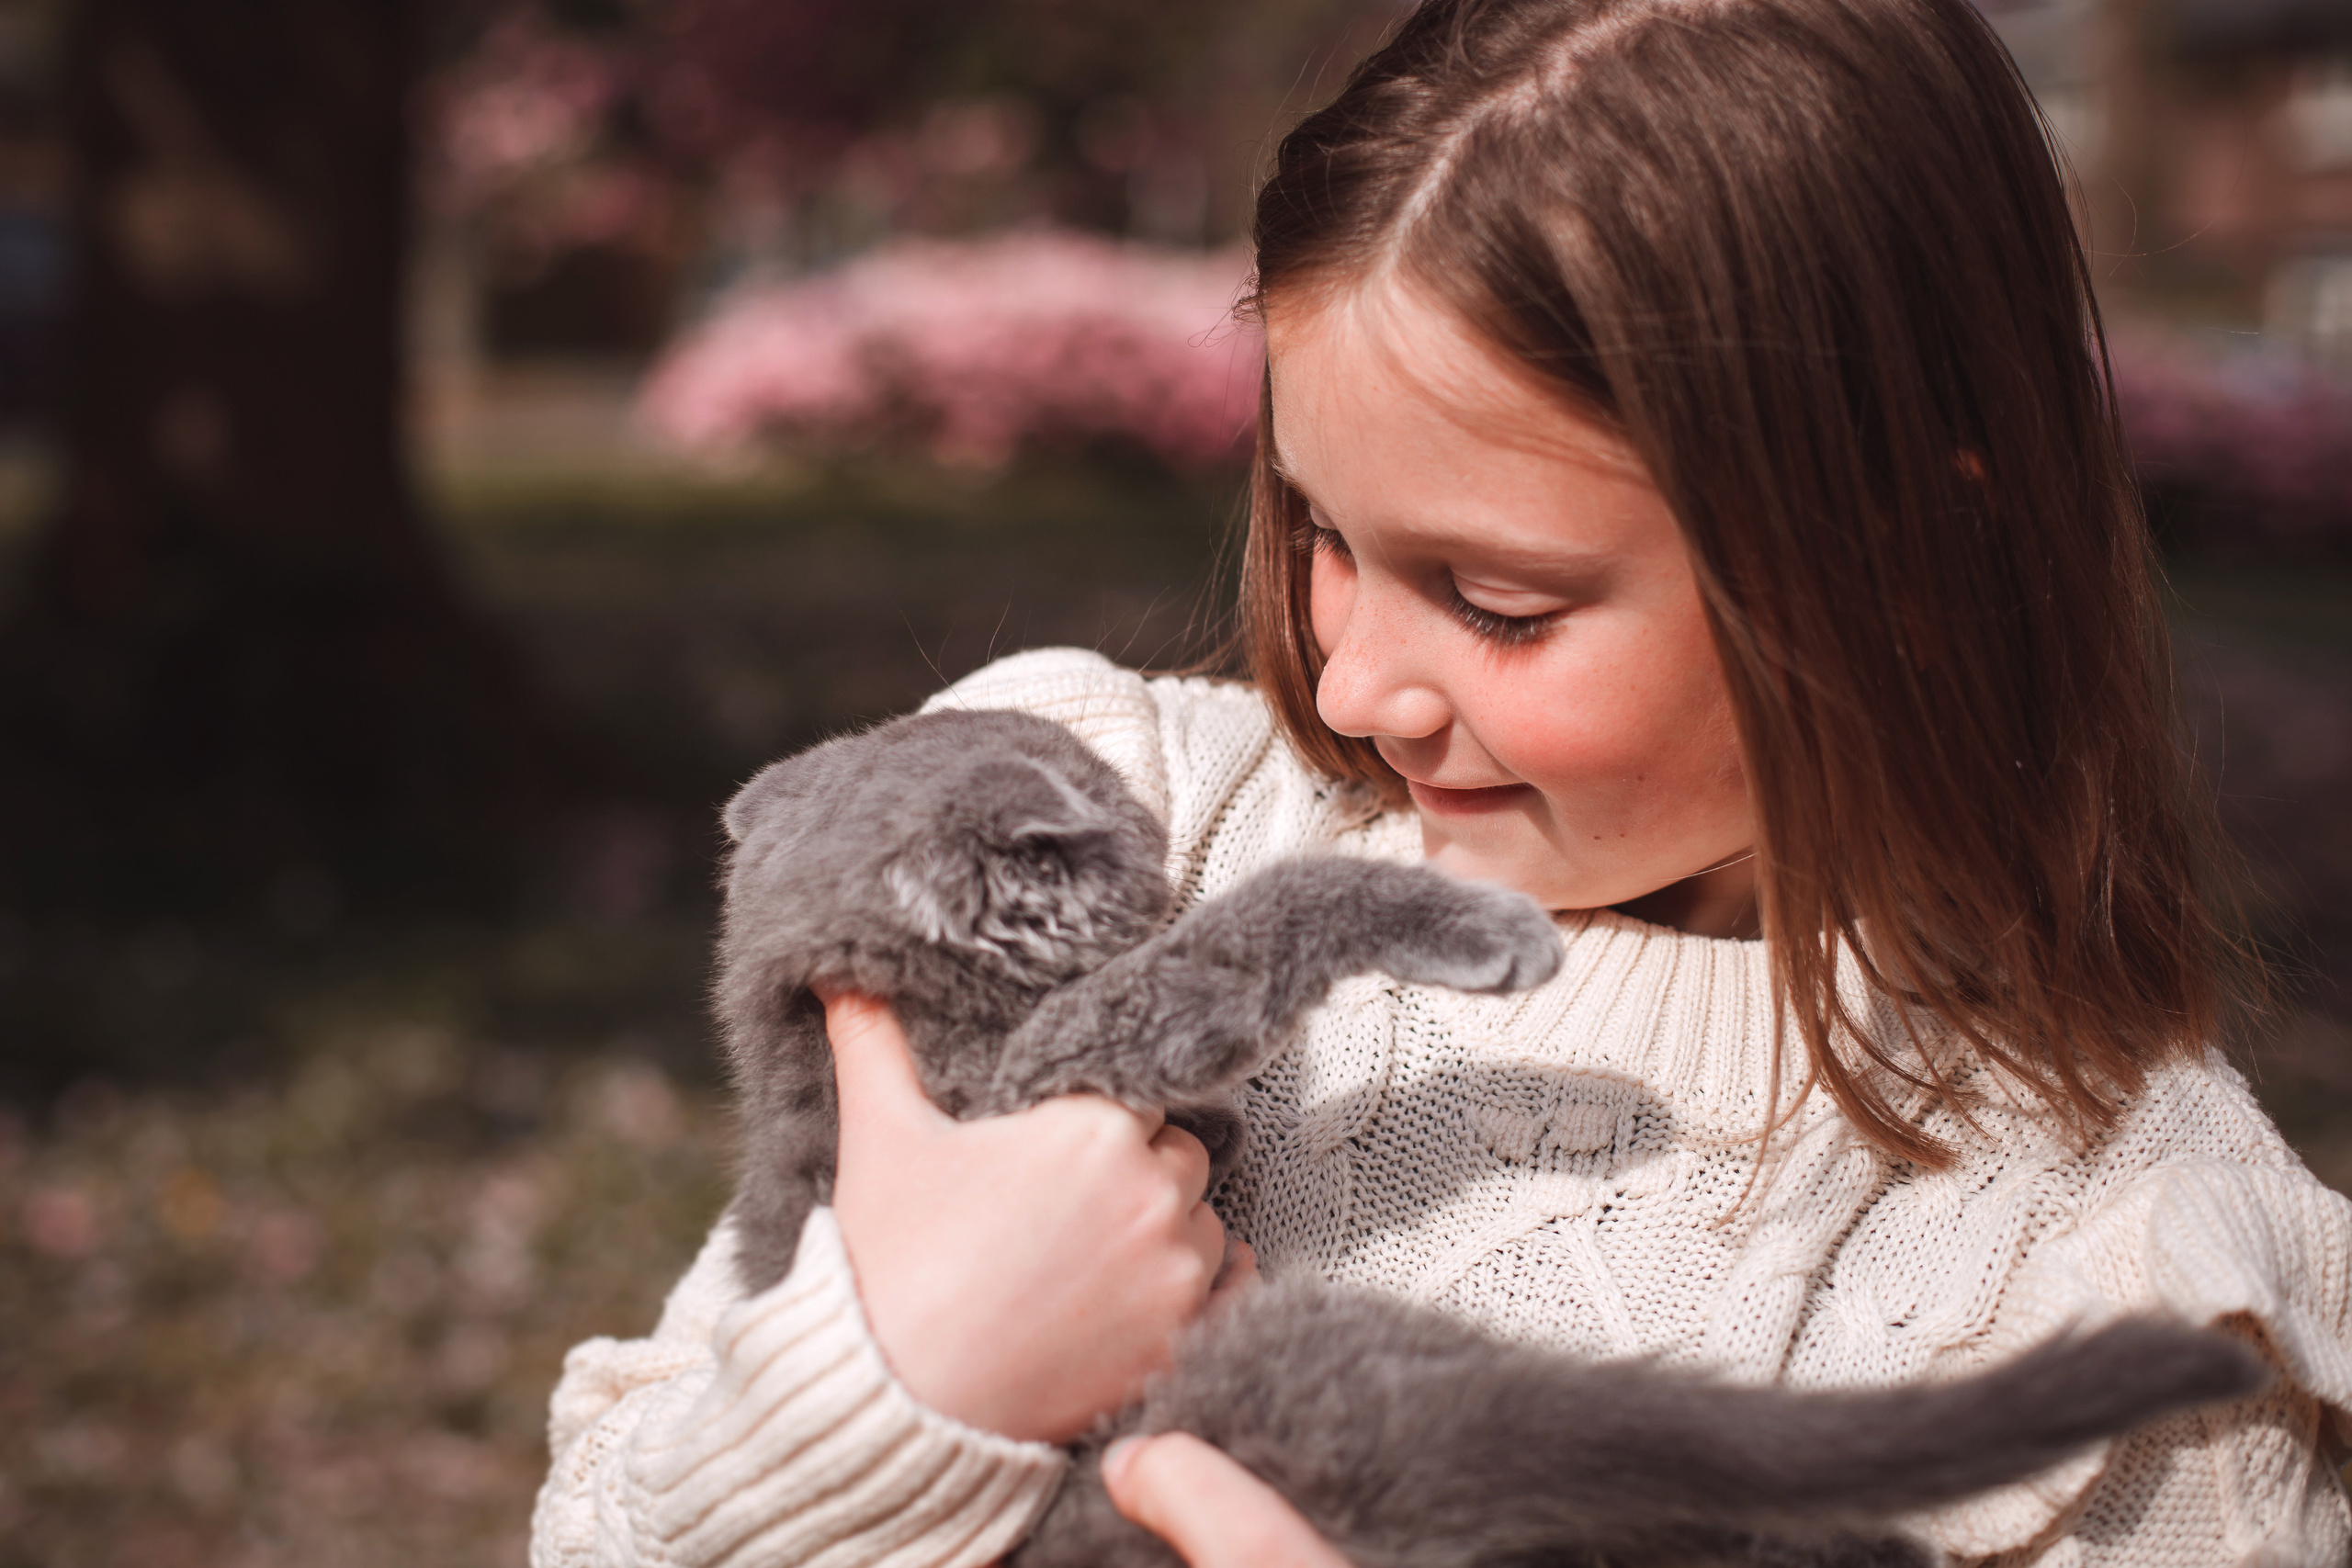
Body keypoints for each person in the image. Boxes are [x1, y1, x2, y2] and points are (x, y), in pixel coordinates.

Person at [529, 1, 2352, 1563]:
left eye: (1497, 599)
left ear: (1892, 555)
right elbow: (601, 1515)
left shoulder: (2128, 1271)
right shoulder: (1086, 831)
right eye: (1318, 531)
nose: (1350, 678)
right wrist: (899, 1381)